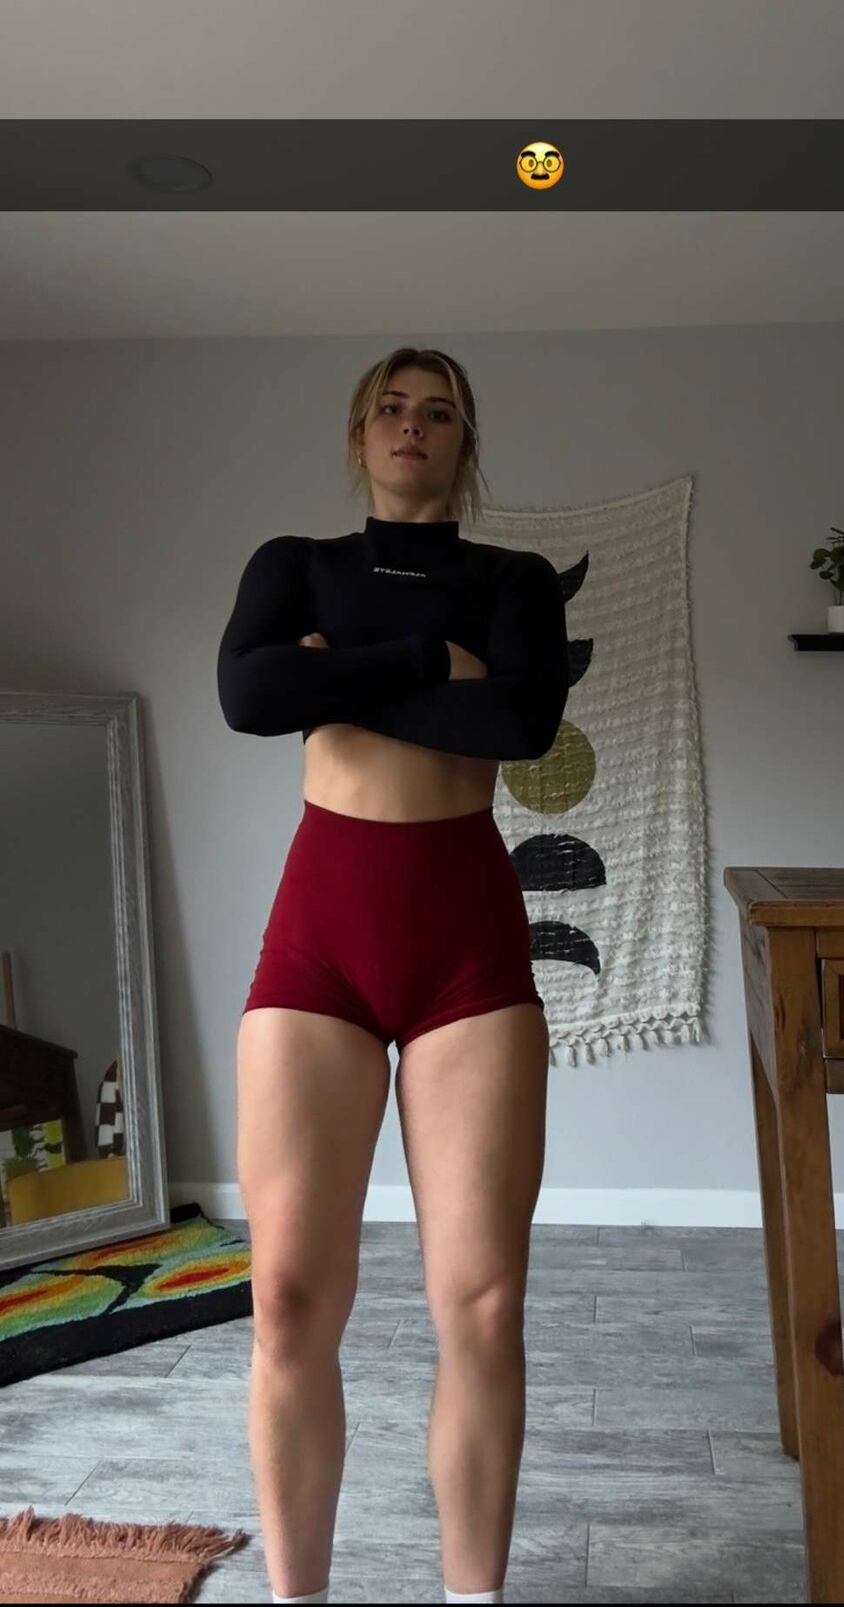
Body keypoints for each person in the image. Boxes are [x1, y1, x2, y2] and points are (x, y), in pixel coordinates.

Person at [217, 348, 570, 1607]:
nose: (413, 426)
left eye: (440, 413)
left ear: (464, 445)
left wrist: (343, 671)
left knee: (481, 1304)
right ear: (359, 432)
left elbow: (517, 728)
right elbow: (250, 694)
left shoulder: (514, 583)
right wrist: (434, 660)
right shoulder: (293, 565)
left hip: (466, 948)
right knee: (285, 1300)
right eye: (392, 407)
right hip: (319, 941)